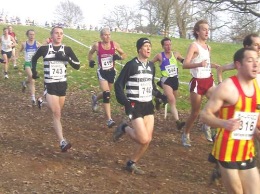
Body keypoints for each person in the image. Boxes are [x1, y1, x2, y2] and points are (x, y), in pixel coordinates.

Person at [200, 48, 260, 193]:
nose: (256, 64)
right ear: (238, 65)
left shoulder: (257, 87)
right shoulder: (227, 87)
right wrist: (224, 123)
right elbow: (205, 114)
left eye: (257, 60)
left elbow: (254, 115)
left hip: (247, 151)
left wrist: (257, 130)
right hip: (227, 152)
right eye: (250, 61)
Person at [113, 38, 167, 174]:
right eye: (145, 46)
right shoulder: (131, 65)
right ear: (139, 49)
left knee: (147, 139)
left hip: (148, 105)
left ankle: (132, 162)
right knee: (143, 138)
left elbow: (151, 86)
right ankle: (124, 127)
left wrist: (159, 95)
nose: (148, 49)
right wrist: (125, 103)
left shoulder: (151, 66)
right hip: (134, 105)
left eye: (150, 46)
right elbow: (118, 84)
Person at [31, 26, 80, 152]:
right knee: (57, 112)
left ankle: (42, 102)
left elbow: (78, 66)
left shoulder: (67, 49)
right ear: (51, 35)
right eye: (56, 33)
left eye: (61, 33)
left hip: (62, 84)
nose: (59, 35)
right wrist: (34, 71)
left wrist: (66, 58)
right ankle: (62, 141)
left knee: (57, 109)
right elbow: (34, 58)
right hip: (50, 84)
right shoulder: (44, 49)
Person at [181, 19, 220, 147]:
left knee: (219, 105)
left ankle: (207, 125)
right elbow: (185, 65)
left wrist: (214, 66)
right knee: (195, 112)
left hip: (208, 80)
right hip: (197, 82)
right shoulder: (194, 46)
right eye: (204, 29)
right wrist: (199, 64)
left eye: (208, 29)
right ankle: (186, 133)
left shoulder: (208, 47)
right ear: (197, 32)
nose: (207, 31)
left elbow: (206, 63)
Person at [88, 27, 126, 128]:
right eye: (105, 35)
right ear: (101, 36)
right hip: (102, 72)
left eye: (109, 34)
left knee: (108, 92)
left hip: (111, 72)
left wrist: (119, 57)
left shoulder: (114, 44)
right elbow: (90, 53)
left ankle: (95, 98)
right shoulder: (97, 45)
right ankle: (109, 119)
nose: (108, 36)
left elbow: (124, 54)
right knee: (107, 93)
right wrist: (90, 61)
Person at [151, 37, 185, 130]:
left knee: (172, 100)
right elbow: (150, 63)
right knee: (172, 100)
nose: (168, 46)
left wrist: (193, 59)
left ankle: (159, 100)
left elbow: (184, 61)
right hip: (166, 80)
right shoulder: (160, 56)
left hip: (175, 80)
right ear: (163, 46)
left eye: (170, 44)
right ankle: (178, 122)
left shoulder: (176, 54)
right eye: (166, 45)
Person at [17, 29, 41, 105]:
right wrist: (15, 57)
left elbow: (44, 49)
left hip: (34, 64)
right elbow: (19, 51)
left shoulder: (37, 43)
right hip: (27, 63)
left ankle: (24, 82)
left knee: (30, 79)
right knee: (32, 79)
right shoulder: (24, 44)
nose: (32, 36)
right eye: (30, 34)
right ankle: (33, 98)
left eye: (33, 34)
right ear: (27, 35)